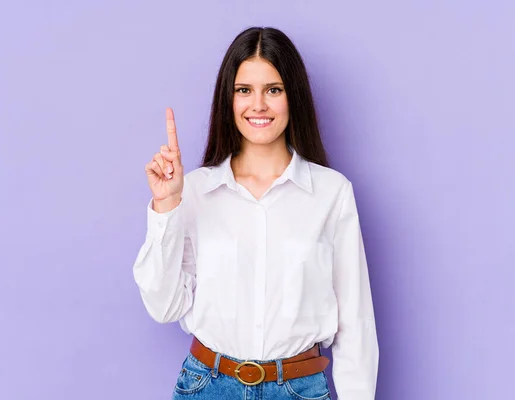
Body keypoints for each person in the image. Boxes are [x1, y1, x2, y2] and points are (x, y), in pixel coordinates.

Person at [133, 26, 378, 399]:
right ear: (228, 99)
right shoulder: (194, 190)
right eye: (244, 90)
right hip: (208, 386)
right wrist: (167, 206)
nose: (258, 105)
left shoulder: (332, 193)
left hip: (299, 388)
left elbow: (356, 326)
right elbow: (164, 306)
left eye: (273, 90)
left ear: (292, 96)